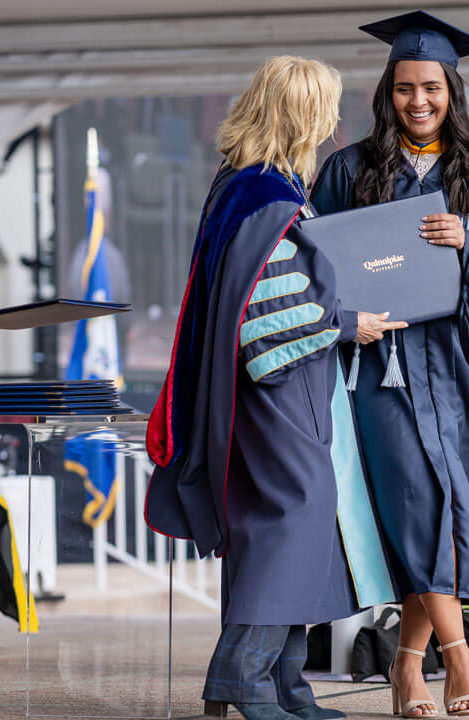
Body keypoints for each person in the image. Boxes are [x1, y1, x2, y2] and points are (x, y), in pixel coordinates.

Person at [144, 55, 400, 720]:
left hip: (268, 395)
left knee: (292, 528)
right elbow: (270, 318)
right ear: (304, 115)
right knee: (292, 521)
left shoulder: (243, 187)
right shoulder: (269, 198)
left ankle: (286, 682)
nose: (335, 124)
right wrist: (349, 322)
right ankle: (242, 675)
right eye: (328, 110)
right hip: (279, 394)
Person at [310, 10, 469, 717]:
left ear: (453, 92)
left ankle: (407, 666)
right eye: (406, 87)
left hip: (464, 367)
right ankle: (458, 657)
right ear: (388, 92)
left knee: (453, 509)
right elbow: (312, 261)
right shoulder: (349, 170)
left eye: (433, 88)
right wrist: (349, 322)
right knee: (415, 506)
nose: (419, 101)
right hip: (385, 368)